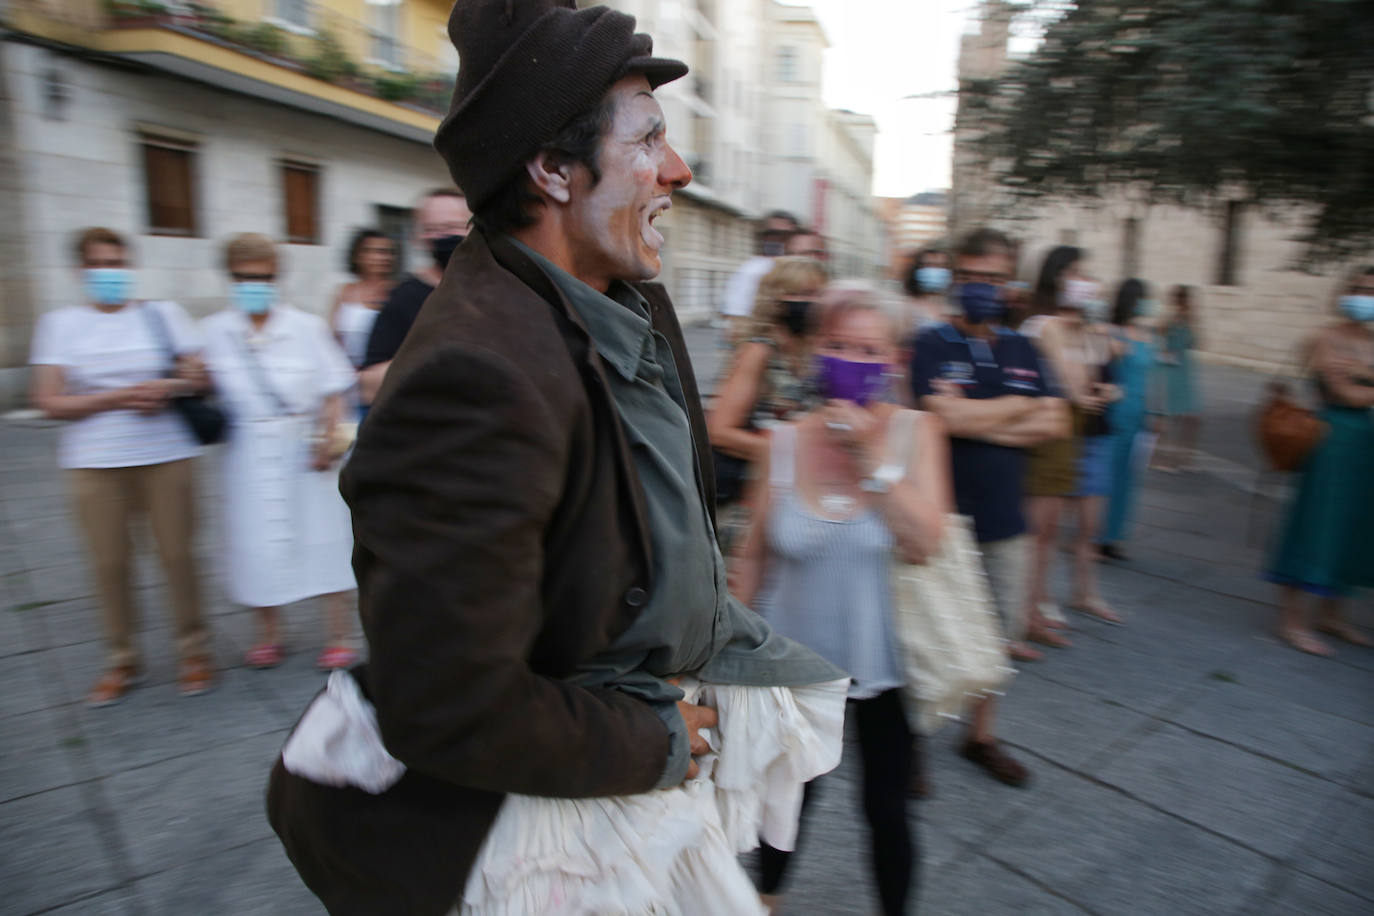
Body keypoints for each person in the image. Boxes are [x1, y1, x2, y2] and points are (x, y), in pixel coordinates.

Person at [267, 4, 846, 914]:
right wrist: (660, 738)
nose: (680, 169)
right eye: (650, 139)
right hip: (546, 834)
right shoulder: (473, 377)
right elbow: (449, 701)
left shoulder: (624, 290)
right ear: (551, 170)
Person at [733, 285, 951, 916]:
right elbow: (754, 554)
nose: (848, 358)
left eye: (866, 349)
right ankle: (764, 899)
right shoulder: (781, 440)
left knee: (885, 806)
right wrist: (729, 651)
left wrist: (868, 455)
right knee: (788, 795)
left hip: (883, 657)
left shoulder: (918, 433)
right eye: (835, 344)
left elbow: (926, 541)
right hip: (794, 659)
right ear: (814, 350)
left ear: (893, 361)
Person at [909, 227, 1069, 784]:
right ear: (956, 279)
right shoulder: (931, 343)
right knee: (928, 632)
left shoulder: (1026, 347)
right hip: (941, 514)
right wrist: (1016, 413)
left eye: (995, 278)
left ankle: (981, 736)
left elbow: (1057, 421)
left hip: (1006, 516)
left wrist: (977, 416)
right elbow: (941, 417)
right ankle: (913, 744)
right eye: (973, 276)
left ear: (1011, 284)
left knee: (998, 634)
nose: (983, 287)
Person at [29, 227, 214, 705]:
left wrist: (166, 387)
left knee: (179, 557)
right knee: (110, 564)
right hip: (93, 463)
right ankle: (122, 660)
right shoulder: (60, 323)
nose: (110, 273)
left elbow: (201, 376)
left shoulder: (161, 315)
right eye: (99, 264)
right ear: (81, 271)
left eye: (118, 263)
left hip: (167, 455)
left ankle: (193, 652)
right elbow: (48, 401)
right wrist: (118, 397)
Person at [200, 233, 359, 671]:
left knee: (325, 540)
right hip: (247, 453)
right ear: (231, 278)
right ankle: (268, 634)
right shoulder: (215, 332)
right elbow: (199, 383)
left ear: (277, 278)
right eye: (245, 277)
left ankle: (338, 635)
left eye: (264, 276)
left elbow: (337, 393)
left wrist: (335, 444)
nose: (255, 284)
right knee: (256, 541)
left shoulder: (306, 327)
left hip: (306, 449)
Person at [1265, 265, 1374, 656]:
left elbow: (1362, 392)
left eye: (1372, 290)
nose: (1365, 297)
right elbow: (1345, 393)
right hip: (1330, 440)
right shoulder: (1324, 338)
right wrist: (1364, 380)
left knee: (1353, 528)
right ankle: (1291, 621)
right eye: (1359, 288)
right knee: (1315, 523)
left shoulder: (1369, 340)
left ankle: (1333, 613)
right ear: (1343, 292)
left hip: (1365, 443)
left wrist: (1365, 375)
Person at [1021, 246, 1123, 641]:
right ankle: (1031, 607)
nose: (1085, 282)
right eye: (1076, 274)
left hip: (1072, 429)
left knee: (1049, 528)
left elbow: (1102, 367)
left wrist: (1092, 330)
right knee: (1039, 529)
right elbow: (1070, 382)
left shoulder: (1078, 327)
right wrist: (1089, 390)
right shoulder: (1044, 324)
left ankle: (1038, 602)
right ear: (1058, 277)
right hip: (1050, 429)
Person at [707, 256, 827, 474]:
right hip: (754, 484)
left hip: (793, 482)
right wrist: (797, 456)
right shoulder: (759, 351)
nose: (813, 303)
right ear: (775, 300)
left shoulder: (813, 351)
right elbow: (720, 432)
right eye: (802, 293)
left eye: (819, 294)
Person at [356, 188, 472, 404]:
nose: (445, 236)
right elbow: (367, 387)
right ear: (420, 237)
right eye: (433, 229)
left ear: (473, 228)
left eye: (453, 227)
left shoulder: (499, 289)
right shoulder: (404, 298)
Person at [1098, 279, 1158, 561]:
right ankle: (1098, 534)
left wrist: (1155, 414)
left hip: (1139, 412)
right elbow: (1098, 365)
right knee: (1109, 473)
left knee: (1128, 478)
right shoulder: (1112, 333)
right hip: (1117, 409)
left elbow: (1153, 379)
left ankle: (1115, 535)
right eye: (1143, 299)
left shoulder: (1147, 335)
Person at [719, 210, 800, 343]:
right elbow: (735, 317)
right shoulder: (751, 269)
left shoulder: (799, 268)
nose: (778, 239)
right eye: (772, 234)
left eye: (786, 235)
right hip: (756, 338)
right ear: (764, 236)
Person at [329, 229, 396, 370]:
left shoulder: (398, 293)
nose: (384, 257)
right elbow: (332, 338)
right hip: (347, 372)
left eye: (388, 252)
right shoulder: (344, 292)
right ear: (359, 256)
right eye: (377, 251)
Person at [1155, 284, 1202, 471]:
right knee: (1167, 416)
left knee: (1192, 418)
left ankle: (1185, 457)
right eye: (1181, 300)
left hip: (1185, 371)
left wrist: (1193, 322)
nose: (1184, 304)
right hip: (1170, 371)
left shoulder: (1189, 320)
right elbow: (1160, 341)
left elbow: (1196, 343)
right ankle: (1161, 458)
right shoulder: (1168, 320)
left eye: (1186, 300)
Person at [902, 245, 952, 333]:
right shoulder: (906, 308)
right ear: (917, 269)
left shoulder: (954, 308)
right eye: (928, 265)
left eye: (940, 266)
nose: (933, 270)